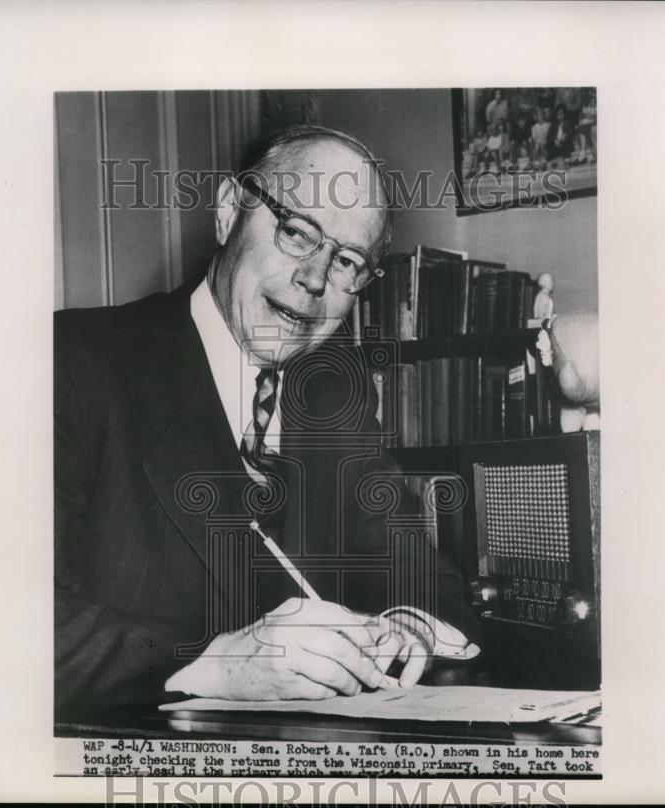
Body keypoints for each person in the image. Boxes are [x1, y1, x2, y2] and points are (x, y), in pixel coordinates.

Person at [54, 125, 480, 722]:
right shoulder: (70, 362)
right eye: (298, 232)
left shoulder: (336, 396)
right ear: (230, 212)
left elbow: (424, 575)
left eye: (348, 262)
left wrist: (403, 628)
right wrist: (209, 662)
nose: (314, 279)